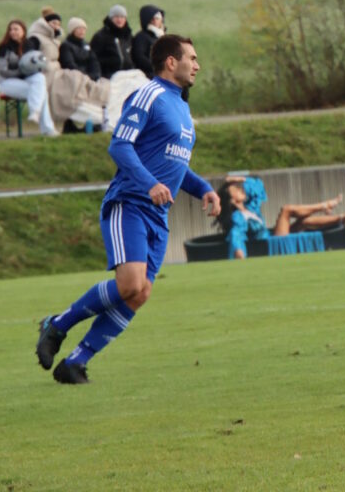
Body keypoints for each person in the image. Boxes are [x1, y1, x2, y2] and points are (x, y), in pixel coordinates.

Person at [35, 35, 221, 384]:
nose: (197, 65)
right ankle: (57, 325)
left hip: (158, 215)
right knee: (129, 283)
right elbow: (119, 146)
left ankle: (75, 362)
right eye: (192, 58)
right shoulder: (149, 94)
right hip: (130, 204)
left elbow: (176, 165)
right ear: (171, 62)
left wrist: (204, 189)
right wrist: (149, 184)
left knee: (140, 293)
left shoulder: (181, 106)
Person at [218, 176, 345, 259]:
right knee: (286, 210)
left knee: (304, 222)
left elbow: (258, 187)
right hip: (272, 244)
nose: (240, 188)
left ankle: (342, 218)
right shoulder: (238, 216)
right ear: (232, 201)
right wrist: (239, 251)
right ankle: (325, 205)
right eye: (235, 189)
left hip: (273, 236)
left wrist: (241, 179)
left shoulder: (250, 208)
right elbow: (236, 234)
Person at [0, 19, 57, 136]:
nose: (13, 32)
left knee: (40, 77)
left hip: (25, 79)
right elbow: (2, 71)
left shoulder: (29, 45)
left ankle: (36, 114)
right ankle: (47, 128)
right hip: (6, 82)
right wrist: (20, 72)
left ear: (23, 31)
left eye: (16, 29)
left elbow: (34, 63)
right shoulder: (4, 47)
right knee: (42, 92)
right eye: (11, 29)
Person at [90, 4, 135, 77]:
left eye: (122, 17)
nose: (119, 20)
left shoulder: (128, 35)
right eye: (116, 17)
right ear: (111, 18)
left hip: (129, 74)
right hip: (109, 75)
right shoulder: (100, 36)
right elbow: (94, 59)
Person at [58, 17, 102, 81]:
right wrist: (85, 76)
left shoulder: (86, 45)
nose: (82, 31)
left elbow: (94, 61)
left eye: (84, 29)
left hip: (89, 77)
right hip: (74, 78)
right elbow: (70, 65)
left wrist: (95, 75)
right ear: (72, 30)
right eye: (79, 29)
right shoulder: (66, 46)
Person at [132, 5, 166, 78]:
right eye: (152, 19)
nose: (155, 21)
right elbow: (140, 57)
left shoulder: (163, 36)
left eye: (157, 18)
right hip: (148, 74)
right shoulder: (141, 37)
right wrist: (157, 67)